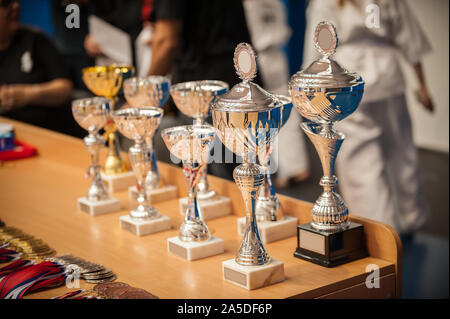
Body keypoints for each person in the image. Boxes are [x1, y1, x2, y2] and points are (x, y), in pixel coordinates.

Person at [303, 0, 433, 235]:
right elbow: (409, 37)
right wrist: (422, 86)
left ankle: (378, 227)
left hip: (348, 80)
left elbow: (317, 46)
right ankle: (410, 216)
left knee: (359, 159)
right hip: (387, 74)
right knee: (400, 150)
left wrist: (311, 91)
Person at [148, 0, 259, 180]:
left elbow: (166, 42)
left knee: (222, 179)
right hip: (239, 74)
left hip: (202, 89)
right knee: (244, 174)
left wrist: (143, 95)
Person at [0, 0, 74, 133]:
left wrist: (28, 94)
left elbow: (65, 88)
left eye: (15, 1)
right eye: (5, 3)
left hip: (47, 130)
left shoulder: (35, 39)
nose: (16, 6)